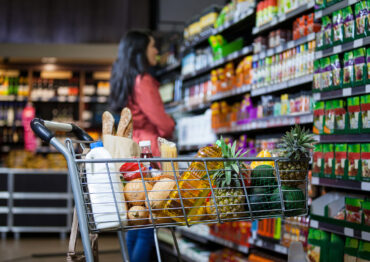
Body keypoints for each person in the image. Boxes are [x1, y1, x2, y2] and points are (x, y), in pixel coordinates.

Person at [109, 30, 175, 262]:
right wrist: (172, 124)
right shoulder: (143, 81)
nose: (157, 51)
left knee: (135, 218)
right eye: (153, 46)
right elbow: (163, 123)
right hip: (149, 155)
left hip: (130, 153)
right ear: (140, 52)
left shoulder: (124, 80)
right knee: (148, 224)